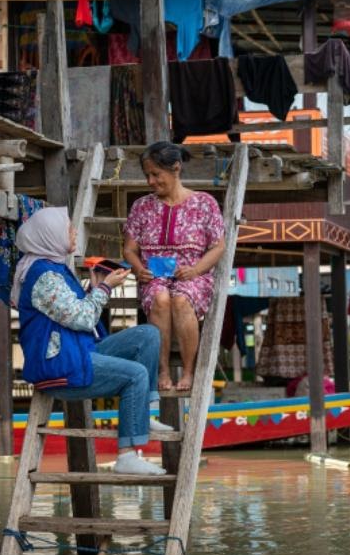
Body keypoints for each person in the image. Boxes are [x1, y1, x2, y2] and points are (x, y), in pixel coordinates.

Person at [13, 207, 167, 476]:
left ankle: (142, 413)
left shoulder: (56, 267)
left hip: (78, 351)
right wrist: (105, 288)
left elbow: (70, 311)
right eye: (67, 229)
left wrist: (95, 289)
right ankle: (127, 455)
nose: (73, 232)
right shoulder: (44, 276)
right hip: (61, 367)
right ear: (50, 236)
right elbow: (83, 318)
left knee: (148, 335)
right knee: (136, 375)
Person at [123, 141, 226, 392]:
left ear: (176, 168)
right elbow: (129, 249)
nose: (150, 181)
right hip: (153, 277)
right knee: (160, 298)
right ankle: (163, 370)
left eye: (156, 174)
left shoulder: (204, 203)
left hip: (193, 275)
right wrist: (138, 269)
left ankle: (189, 372)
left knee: (181, 299)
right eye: (147, 175)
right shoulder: (141, 206)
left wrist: (196, 270)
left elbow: (218, 247)